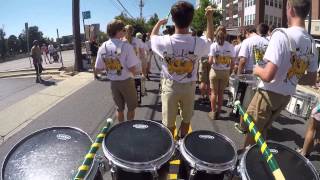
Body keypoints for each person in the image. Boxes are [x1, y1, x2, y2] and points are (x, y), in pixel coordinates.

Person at [243, 0, 318, 147]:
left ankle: (245, 163)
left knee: (252, 133)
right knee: (262, 131)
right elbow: (311, 78)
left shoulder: (281, 34)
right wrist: (291, 76)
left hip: (267, 95)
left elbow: (267, 76)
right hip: (285, 97)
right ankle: (257, 160)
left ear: (290, 9)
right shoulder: (311, 42)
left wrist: (256, 69)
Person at [151, 1, 214, 137]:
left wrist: (158, 23)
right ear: (191, 20)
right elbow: (210, 38)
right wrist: (209, 18)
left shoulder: (163, 41)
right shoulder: (198, 42)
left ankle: (170, 148)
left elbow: (152, 37)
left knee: (168, 123)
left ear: (173, 20)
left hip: (170, 86)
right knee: (186, 120)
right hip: (189, 87)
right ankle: (182, 143)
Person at [95, 20, 140, 122]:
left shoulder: (103, 47)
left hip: (113, 83)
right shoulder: (126, 46)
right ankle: (129, 127)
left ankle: (120, 127)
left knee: (119, 109)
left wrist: (110, 66)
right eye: (123, 30)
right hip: (127, 81)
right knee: (131, 107)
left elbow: (98, 68)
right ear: (119, 31)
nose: (125, 32)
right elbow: (132, 68)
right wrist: (136, 75)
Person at [234, 24, 270, 133]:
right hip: (263, 76)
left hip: (249, 77)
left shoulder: (247, 42)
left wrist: (238, 76)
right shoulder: (267, 42)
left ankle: (243, 126)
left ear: (247, 32)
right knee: (258, 105)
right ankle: (256, 125)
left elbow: (242, 61)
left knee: (245, 104)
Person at [208, 26, 235, 119]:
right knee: (221, 93)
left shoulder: (213, 45)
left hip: (215, 71)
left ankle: (213, 112)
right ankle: (219, 112)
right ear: (225, 34)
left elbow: (210, 61)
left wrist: (216, 58)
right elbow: (233, 62)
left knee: (213, 93)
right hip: (225, 72)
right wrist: (230, 71)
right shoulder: (230, 46)